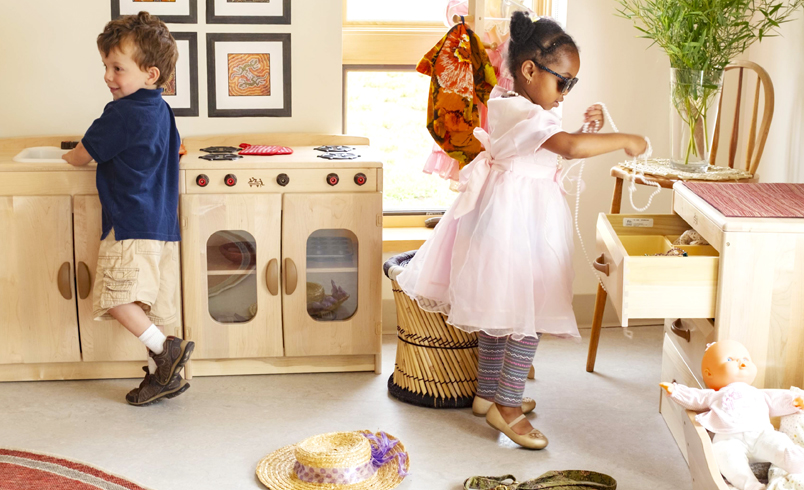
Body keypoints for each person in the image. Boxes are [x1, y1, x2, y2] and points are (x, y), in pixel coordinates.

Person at [396, 11, 648, 449]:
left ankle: (488, 395)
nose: (566, 92)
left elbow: (556, 147)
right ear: (530, 70)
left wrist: (585, 129)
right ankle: (507, 407)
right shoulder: (525, 114)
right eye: (563, 82)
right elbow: (568, 147)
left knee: (503, 311)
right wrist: (625, 139)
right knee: (528, 312)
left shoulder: (513, 104)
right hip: (519, 224)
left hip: (506, 221)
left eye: (572, 84)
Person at [62, 11, 193, 407]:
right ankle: (163, 378)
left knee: (117, 298)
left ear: (151, 74)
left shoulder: (120, 113)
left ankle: (165, 350)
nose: (108, 76)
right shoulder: (162, 110)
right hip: (163, 229)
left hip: (131, 226)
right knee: (155, 309)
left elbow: (80, 156)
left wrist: (65, 156)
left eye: (117, 68)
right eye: (106, 66)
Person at [661, 340, 804, 490]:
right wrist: (676, 391)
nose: (741, 363)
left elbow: (777, 399)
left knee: (779, 442)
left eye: (745, 359)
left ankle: (797, 462)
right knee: (724, 456)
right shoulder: (714, 395)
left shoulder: (758, 393)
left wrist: (794, 402)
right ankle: (752, 486)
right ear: (709, 373)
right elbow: (696, 397)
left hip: (761, 435)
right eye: (730, 360)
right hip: (729, 440)